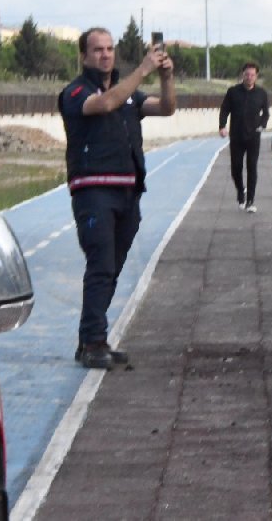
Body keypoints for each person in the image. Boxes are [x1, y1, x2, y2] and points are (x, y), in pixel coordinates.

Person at [59, 28, 176, 370]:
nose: (105, 55)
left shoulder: (131, 95)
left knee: (112, 269)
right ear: (84, 56)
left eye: (110, 49)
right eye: (97, 50)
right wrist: (142, 70)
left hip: (128, 191)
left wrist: (167, 77)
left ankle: (91, 340)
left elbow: (167, 108)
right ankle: (93, 341)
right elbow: (106, 103)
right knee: (101, 265)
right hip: (93, 190)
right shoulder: (75, 92)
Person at [219, 62, 270, 213]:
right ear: (243, 75)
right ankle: (241, 191)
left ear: (256, 76)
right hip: (236, 136)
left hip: (253, 136)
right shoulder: (233, 92)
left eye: (252, 75)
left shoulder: (261, 93)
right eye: (247, 74)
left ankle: (250, 201)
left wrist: (262, 125)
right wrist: (222, 126)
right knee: (236, 168)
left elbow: (266, 113)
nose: (249, 77)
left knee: (252, 167)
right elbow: (224, 110)